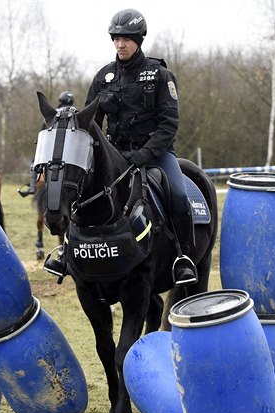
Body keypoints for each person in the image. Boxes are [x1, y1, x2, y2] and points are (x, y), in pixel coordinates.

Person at [84, 8, 197, 287]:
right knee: (79, 190)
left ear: (139, 40)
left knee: (180, 198)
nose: (120, 44)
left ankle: (184, 259)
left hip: (156, 156)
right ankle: (66, 252)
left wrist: (144, 154)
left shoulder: (160, 75)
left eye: (126, 39)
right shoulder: (102, 78)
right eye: (115, 38)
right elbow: (90, 125)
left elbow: (169, 124)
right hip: (114, 156)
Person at [18, 91, 76, 198]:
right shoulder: (75, 115)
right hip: (70, 152)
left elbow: (42, 134)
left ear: (60, 101)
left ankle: (32, 187)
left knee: (34, 163)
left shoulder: (52, 115)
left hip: (51, 150)